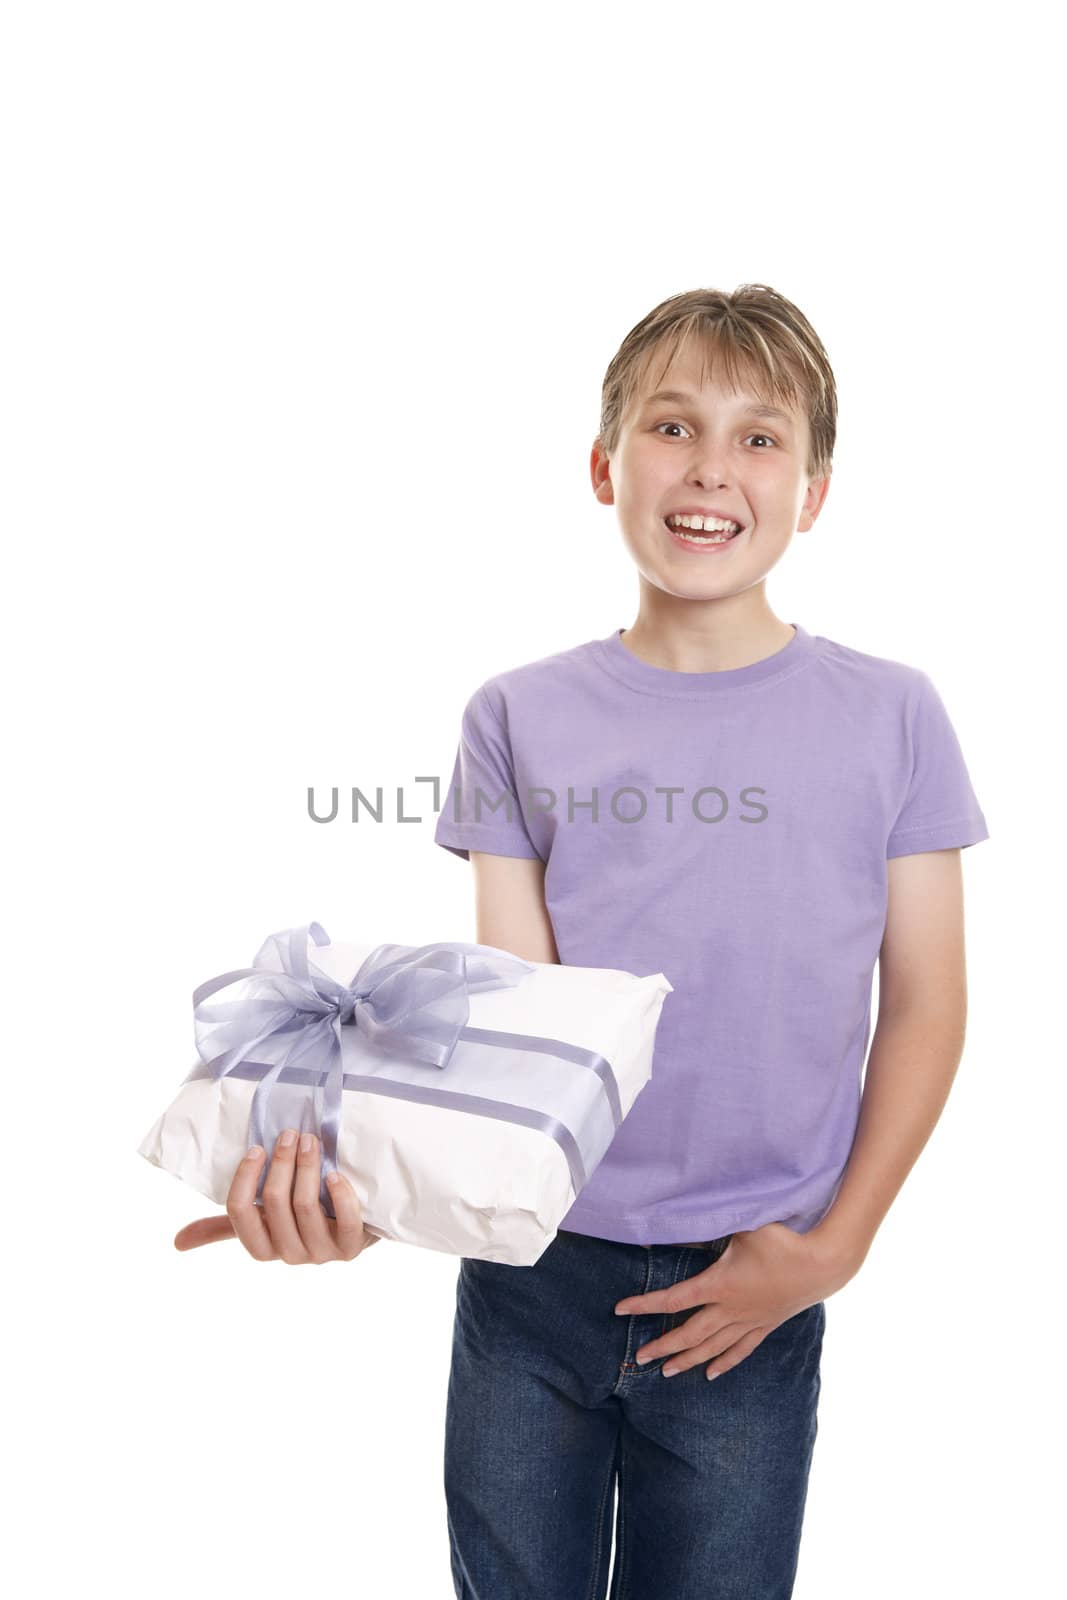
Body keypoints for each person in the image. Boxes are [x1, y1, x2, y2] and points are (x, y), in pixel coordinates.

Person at [175, 283, 990, 1600]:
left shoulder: (893, 716)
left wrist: (833, 1247)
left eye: (759, 437)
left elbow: (929, 1006)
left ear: (816, 492)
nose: (711, 467)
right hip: (532, 1278)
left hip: (753, 1284)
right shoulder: (516, 715)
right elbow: (515, 1023)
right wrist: (375, 1193)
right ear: (606, 466)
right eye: (672, 428)